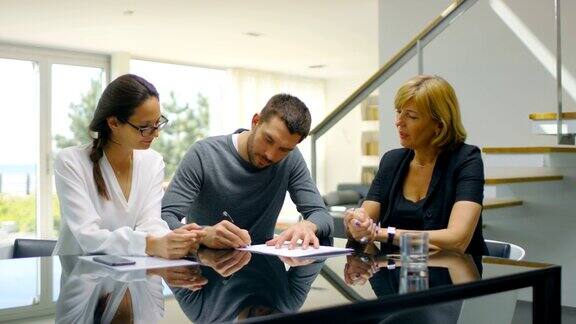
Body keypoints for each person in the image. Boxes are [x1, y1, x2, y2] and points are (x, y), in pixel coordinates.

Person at [53, 74, 205, 258]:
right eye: (144, 126)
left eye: (158, 123)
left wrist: (175, 238)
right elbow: (88, 237)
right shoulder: (71, 162)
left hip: (134, 274)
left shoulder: (153, 162)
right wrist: (150, 244)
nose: (155, 133)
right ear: (113, 123)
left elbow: (151, 222)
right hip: (80, 276)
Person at [161, 94, 333, 249]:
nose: (271, 155)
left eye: (284, 149)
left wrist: (308, 225)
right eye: (268, 139)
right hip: (205, 270)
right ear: (256, 121)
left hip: (263, 270)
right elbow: (164, 218)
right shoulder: (203, 154)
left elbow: (321, 215)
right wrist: (203, 235)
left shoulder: (291, 159)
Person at [344, 75, 487, 255]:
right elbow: (365, 222)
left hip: (452, 276)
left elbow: (457, 240)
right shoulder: (391, 161)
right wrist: (354, 224)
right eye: (399, 111)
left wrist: (383, 233)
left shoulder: (466, 160)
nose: (399, 122)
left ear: (439, 125)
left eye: (411, 116)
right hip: (393, 278)